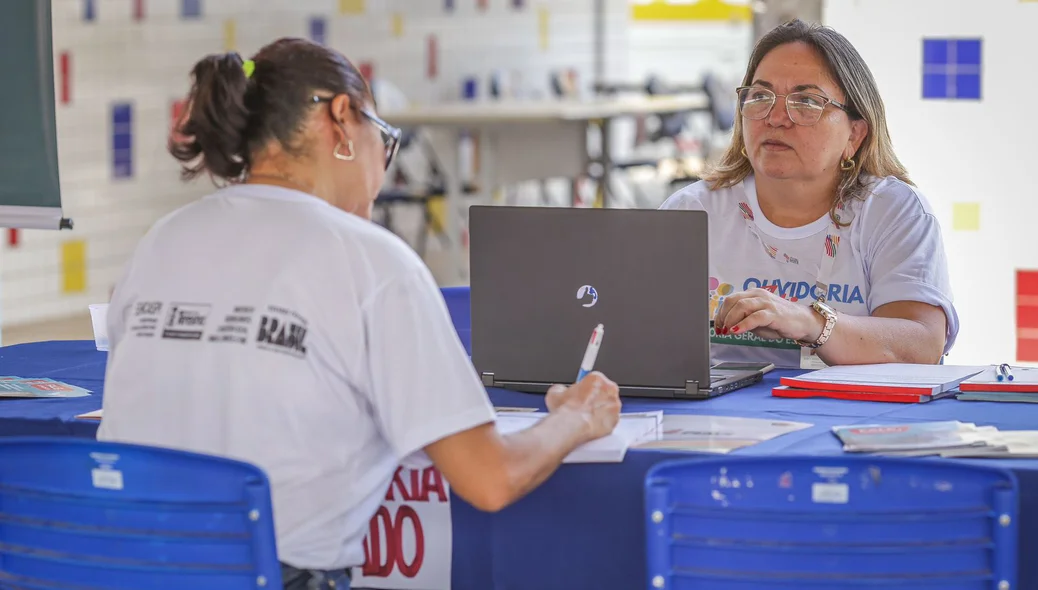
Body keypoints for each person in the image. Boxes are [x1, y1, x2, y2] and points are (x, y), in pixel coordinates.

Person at [96, 38, 621, 590]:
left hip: (113, 571)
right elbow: (490, 479)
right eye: (385, 140)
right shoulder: (371, 260)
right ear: (342, 118)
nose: (383, 166)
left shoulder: (161, 241)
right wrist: (576, 418)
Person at [660, 19, 958, 369]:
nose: (776, 117)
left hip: (852, 414)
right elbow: (637, 333)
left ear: (855, 134)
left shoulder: (891, 211)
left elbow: (922, 344)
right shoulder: (693, 211)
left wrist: (811, 323)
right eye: (760, 96)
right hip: (719, 415)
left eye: (805, 101)